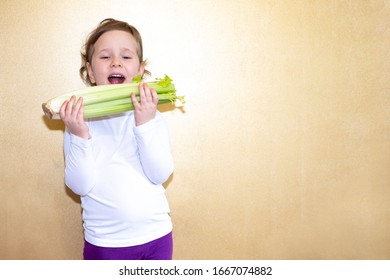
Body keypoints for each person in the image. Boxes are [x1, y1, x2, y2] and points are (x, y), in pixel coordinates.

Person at [59, 18, 174, 260]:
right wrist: (80, 136)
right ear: (90, 72)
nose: (116, 62)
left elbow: (160, 173)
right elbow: (80, 186)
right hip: (105, 243)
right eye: (104, 57)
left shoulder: (151, 115)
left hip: (157, 237)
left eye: (126, 56)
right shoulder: (79, 121)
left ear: (141, 70)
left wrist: (145, 124)